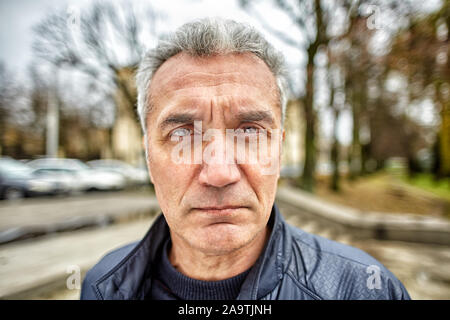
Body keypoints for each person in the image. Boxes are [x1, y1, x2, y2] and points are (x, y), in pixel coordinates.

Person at [80, 18, 410, 300]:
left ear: (279, 153)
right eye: (183, 134)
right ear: (148, 156)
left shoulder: (362, 289)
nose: (220, 172)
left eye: (249, 132)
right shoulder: (103, 285)